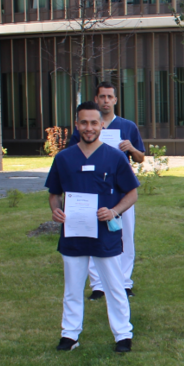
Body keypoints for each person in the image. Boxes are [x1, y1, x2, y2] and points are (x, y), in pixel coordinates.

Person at [46, 101, 140, 353]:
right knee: (72, 288)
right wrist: (55, 208)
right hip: (73, 234)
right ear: (76, 125)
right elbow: (54, 193)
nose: (89, 127)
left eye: (94, 123)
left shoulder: (116, 157)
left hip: (104, 235)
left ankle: (123, 334)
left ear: (101, 125)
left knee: (114, 286)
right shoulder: (64, 158)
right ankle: (70, 334)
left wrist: (114, 211)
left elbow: (132, 194)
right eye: (84, 123)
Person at [66, 82, 146, 300]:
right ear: (97, 98)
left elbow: (141, 158)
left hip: (121, 189)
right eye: (102, 96)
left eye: (110, 96)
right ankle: (98, 285)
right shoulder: (86, 128)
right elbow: (72, 155)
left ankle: (125, 281)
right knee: (92, 234)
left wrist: (131, 148)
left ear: (116, 100)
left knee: (125, 236)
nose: (106, 101)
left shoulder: (127, 126)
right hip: (92, 191)